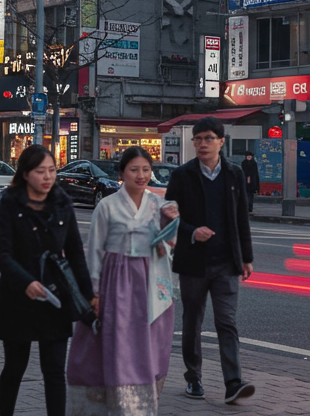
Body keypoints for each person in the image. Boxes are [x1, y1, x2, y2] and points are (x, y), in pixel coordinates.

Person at [68, 146, 178, 416]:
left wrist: (169, 233)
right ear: (121, 173)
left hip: (149, 281)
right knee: (119, 342)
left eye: (145, 170)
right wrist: (94, 293)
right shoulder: (107, 206)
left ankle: (141, 403)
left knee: (149, 344)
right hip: (116, 281)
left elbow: (171, 245)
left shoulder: (158, 205)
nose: (141, 176)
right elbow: (95, 251)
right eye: (134, 170)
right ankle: (116, 403)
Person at [0, 146, 91, 416]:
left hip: (55, 295)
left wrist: (89, 295)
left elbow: (76, 254)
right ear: (25, 174)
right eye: (40, 171)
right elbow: (1, 252)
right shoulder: (11, 203)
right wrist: (25, 282)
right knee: (14, 367)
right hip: (18, 297)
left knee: (55, 370)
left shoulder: (62, 203)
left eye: (52, 170)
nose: (48, 177)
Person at [163, 117, 255, 405]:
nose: (202, 144)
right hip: (193, 262)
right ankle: (194, 377)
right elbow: (168, 215)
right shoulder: (182, 175)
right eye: (198, 139)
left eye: (208, 138)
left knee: (227, 322)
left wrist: (247, 257)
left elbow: (241, 217)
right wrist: (191, 232)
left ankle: (233, 383)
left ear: (221, 142)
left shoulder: (234, 174)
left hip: (227, 261)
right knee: (193, 321)